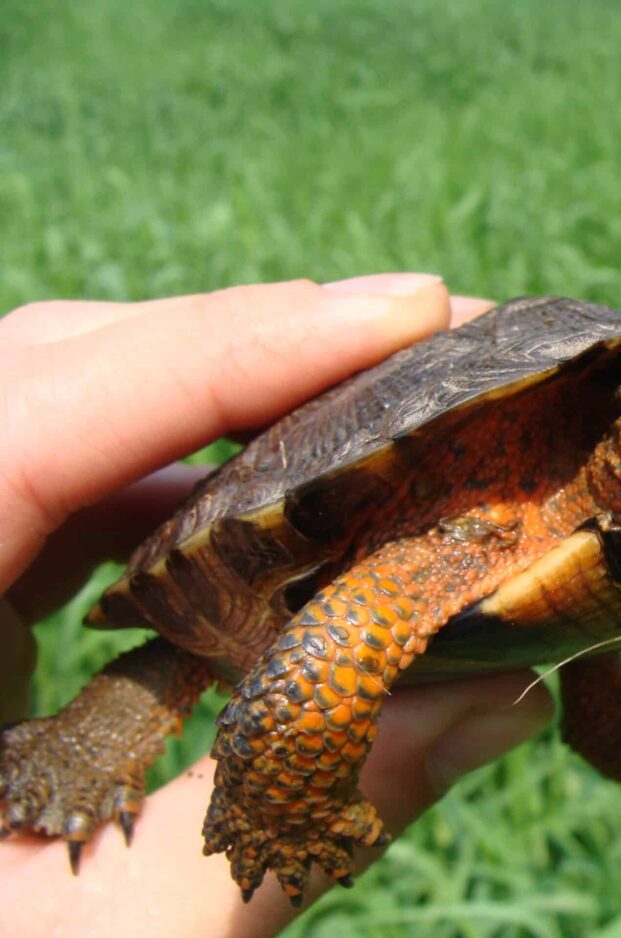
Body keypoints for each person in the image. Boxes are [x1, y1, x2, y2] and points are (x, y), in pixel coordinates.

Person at [0, 274, 555, 936]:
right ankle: (89, 754)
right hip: (334, 558)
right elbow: (338, 627)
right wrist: (283, 803)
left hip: (487, 564)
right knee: (196, 647)